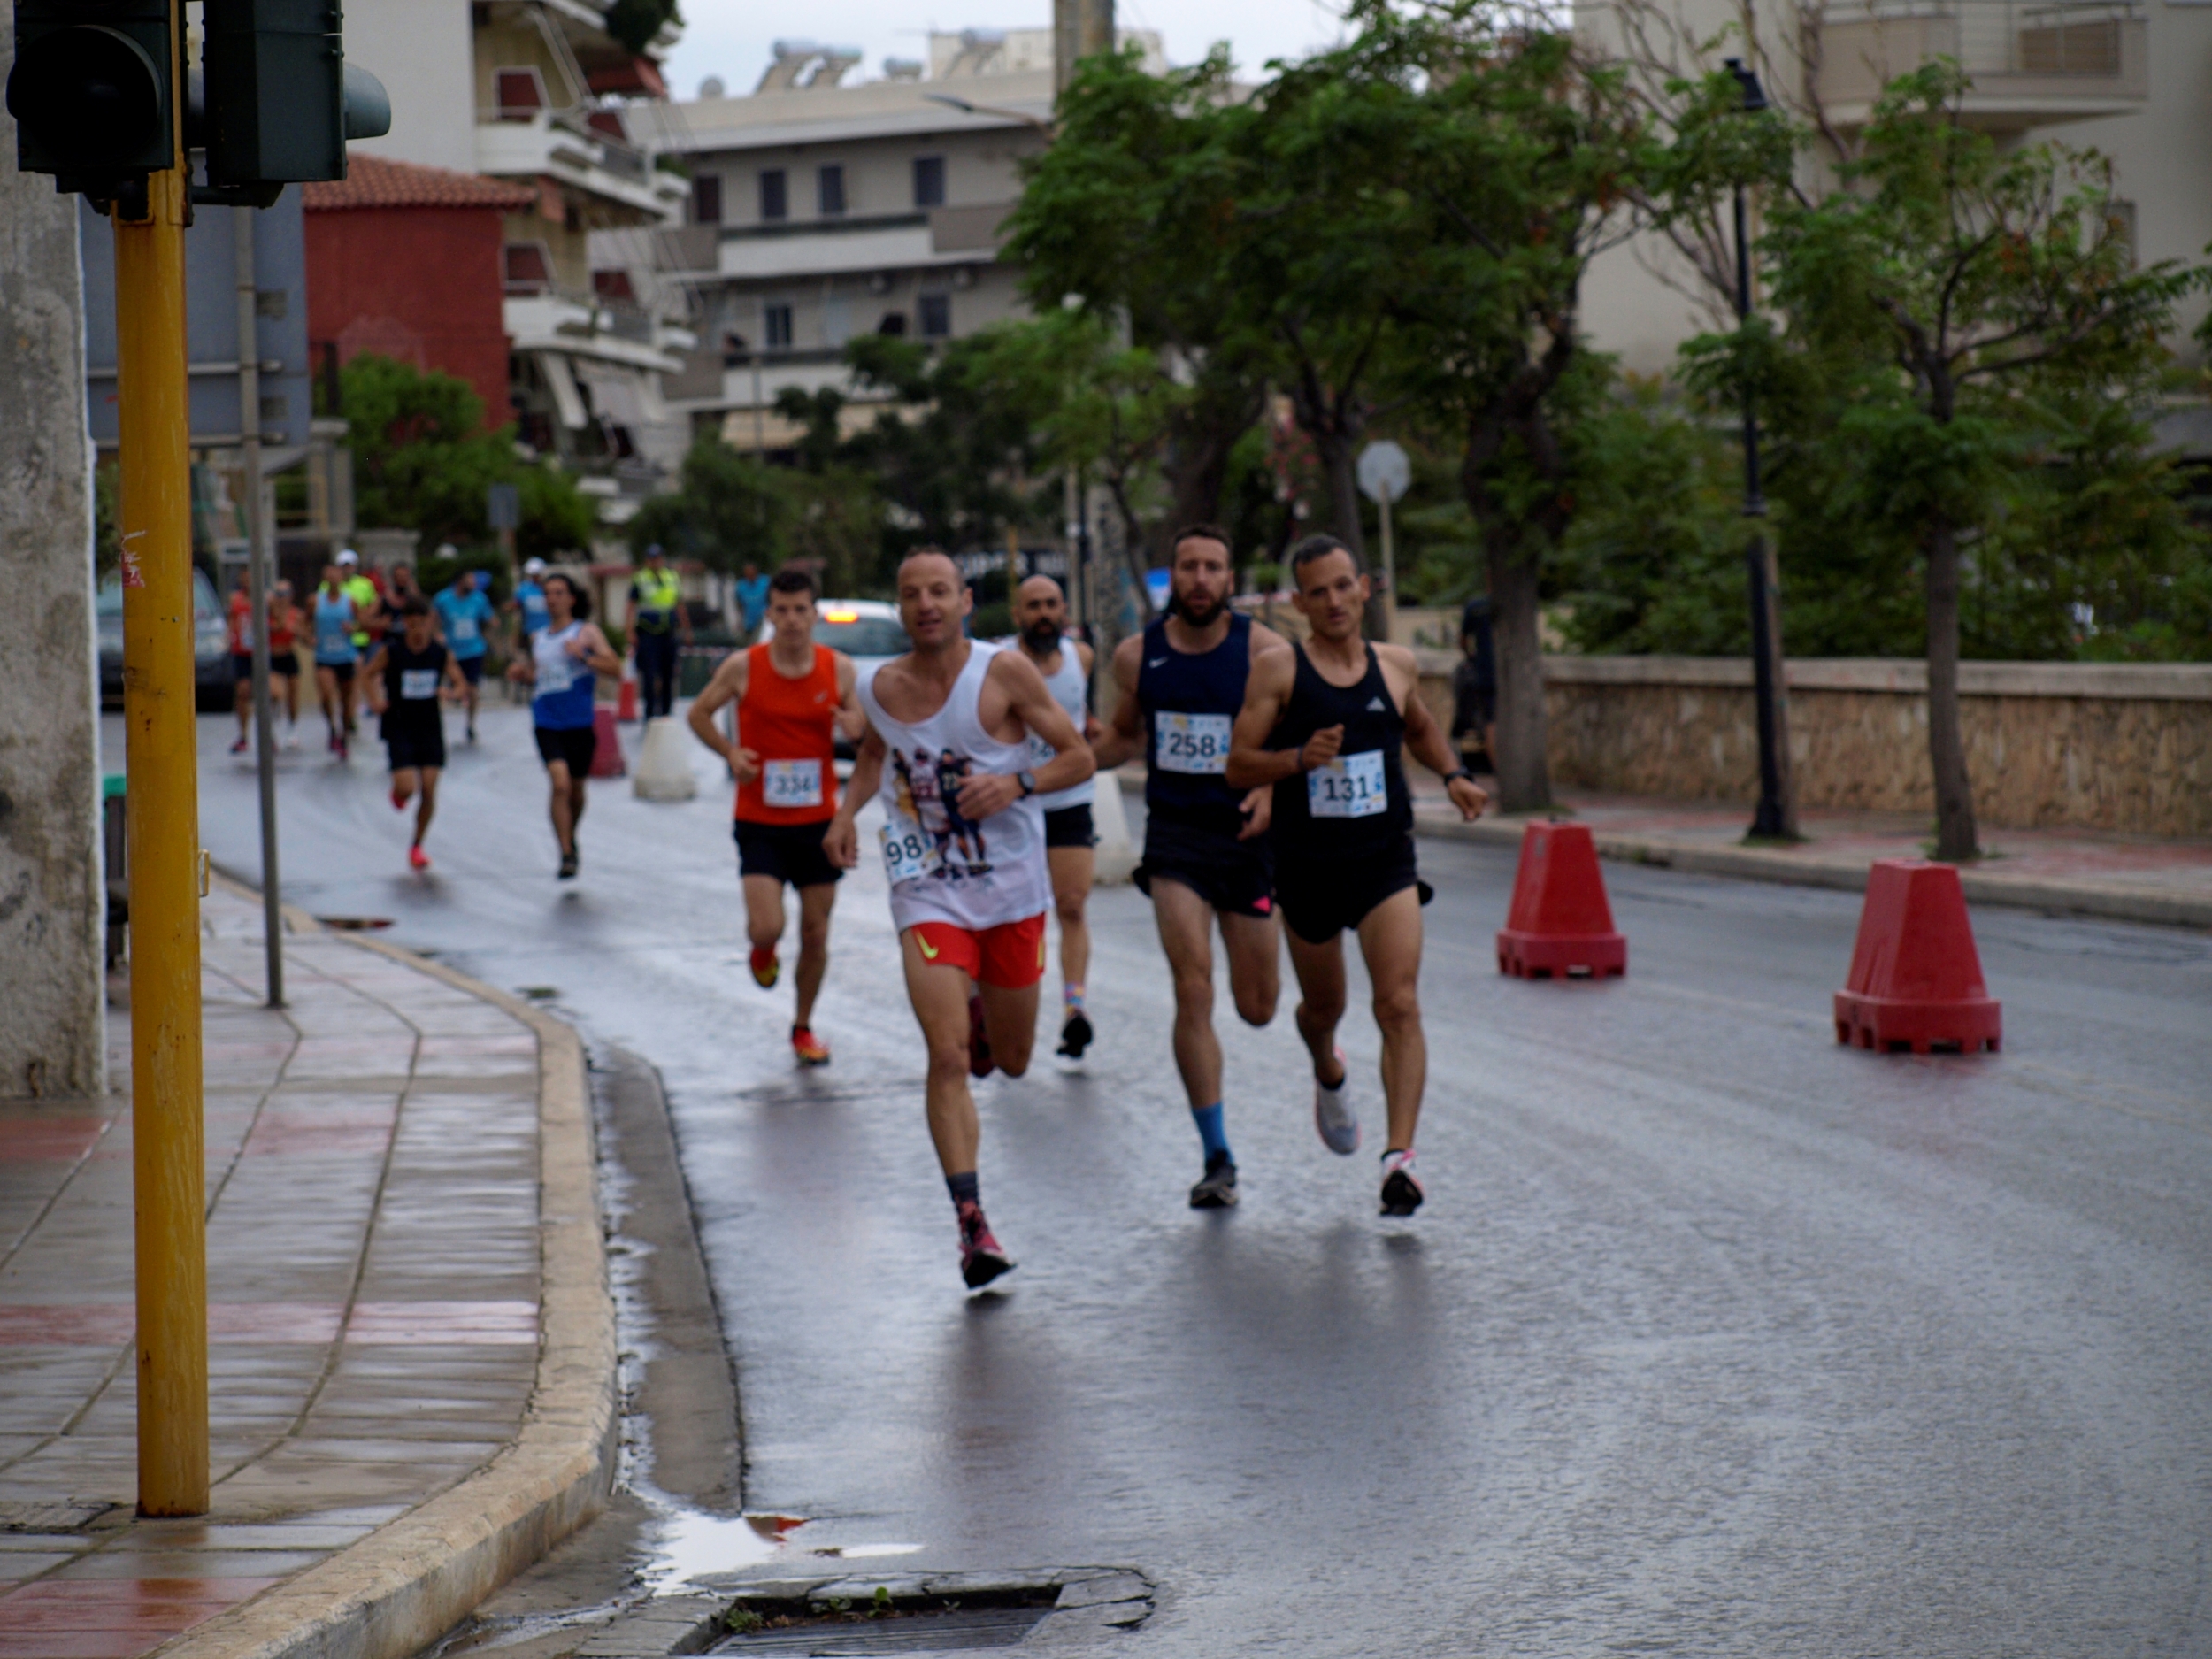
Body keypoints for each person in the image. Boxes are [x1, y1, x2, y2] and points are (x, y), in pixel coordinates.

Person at [824, 549, 1093, 1290]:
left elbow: (1079, 757)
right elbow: (874, 755)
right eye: (912, 594)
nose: (926, 604)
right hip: (927, 888)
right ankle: (972, 1223)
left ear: (965, 600)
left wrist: (1017, 783)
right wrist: (844, 814)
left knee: (1012, 1060)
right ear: (901, 607)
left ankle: (982, 1013)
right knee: (945, 1058)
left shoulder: (1004, 673)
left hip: (1010, 894)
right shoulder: (879, 687)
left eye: (939, 591)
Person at [1225, 535, 1489, 1218]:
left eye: (1344, 585)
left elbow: (1421, 727)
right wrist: (1296, 760)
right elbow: (1237, 764)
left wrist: (1454, 774)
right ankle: (1327, 1064)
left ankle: (1399, 1158)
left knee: (1398, 1003)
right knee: (1324, 1009)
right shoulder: (1279, 671)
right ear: (1300, 601)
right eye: (1318, 591)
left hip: (1383, 859)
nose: (1335, 601)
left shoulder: (1395, 665)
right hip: (1308, 866)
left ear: (1365, 587)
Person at [1089, 526, 1288, 1210]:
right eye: (1188, 566)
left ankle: (1328, 1062)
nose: (1200, 579)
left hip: (1247, 837)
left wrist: (1270, 788)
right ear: (1171, 575)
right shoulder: (1138, 655)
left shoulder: (1263, 652)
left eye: (1212, 567)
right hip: (1176, 838)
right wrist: (1059, 759)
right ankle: (1217, 1155)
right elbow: (1123, 736)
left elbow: (1295, 737)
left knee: (1258, 1007)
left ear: (1229, 578)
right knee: (1192, 986)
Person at [687, 567, 866, 1067]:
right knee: (767, 927)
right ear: (769, 614)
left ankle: (803, 1026)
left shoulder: (838, 669)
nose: (791, 620)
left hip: (819, 824)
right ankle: (762, 950)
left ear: (815, 614)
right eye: (782, 611)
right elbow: (698, 713)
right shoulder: (743, 667)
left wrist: (857, 728)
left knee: (816, 934)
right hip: (760, 822)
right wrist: (730, 752)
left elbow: (864, 729)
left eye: (800, 610)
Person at [1009, 573, 1101, 1060]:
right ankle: (991, 1002)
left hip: (1068, 798)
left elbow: (1083, 715)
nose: (1043, 614)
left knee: (1072, 905)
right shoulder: (999, 663)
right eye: (1034, 606)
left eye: (1051, 604)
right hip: (1013, 802)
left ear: (1064, 610)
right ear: (1017, 614)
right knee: (1010, 914)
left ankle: (1074, 1008)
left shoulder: (1081, 658)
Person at [507, 572, 621, 879]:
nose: (552, 599)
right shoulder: (538, 638)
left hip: (579, 722)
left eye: (559, 593)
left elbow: (615, 668)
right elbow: (540, 676)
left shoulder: (586, 633)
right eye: (548, 593)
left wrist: (584, 656)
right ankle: (566, 852)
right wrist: (523, 675)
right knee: (560, 785)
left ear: (571, 598)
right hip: (547, 721)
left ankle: (570, 833)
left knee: (577, 791)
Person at [363, 598, 468, 871]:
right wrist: (374, 701)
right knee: (408, 788)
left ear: (430, 623)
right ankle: (399, 793)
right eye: (412, 625)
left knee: (429, 790)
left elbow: (460, 683)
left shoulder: (440, 653)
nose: (418, 630)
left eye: (422, 624)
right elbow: (367, 674)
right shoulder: (392, 651)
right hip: (399, 725)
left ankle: (417, 845)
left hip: (429, 726)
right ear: (406, 624)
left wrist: (451, 693)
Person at [433, 568, 497, 742]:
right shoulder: (443, 599)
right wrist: (438, 635)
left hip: (474, 650)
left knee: (473, 688)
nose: (474, 583)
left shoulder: (479, 599)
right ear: (460, 581)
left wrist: (491, 630)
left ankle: (470, 724)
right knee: (448, 687)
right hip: (451, 652)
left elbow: (489, 618)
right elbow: (433, 620)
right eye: (470, 580)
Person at [628, 543, 690, 720]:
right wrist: (629, 631)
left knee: (668, 673)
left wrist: (687, 629)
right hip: (648, 633)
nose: (655, 562)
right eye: (652, 559)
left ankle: (666, 713)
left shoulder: (671, 577)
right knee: (649, 674)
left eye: (658, 558)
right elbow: (631, 606)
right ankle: (649, 713)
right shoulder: (640, 579)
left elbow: (679, 605)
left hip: (668, 632)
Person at [310, 563, 360, 760]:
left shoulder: (350, 601)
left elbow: (362, 623)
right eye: (329, 575)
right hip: (324, 657)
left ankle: (344, 735)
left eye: (336, 575)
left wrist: (353, 628)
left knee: (346, 701)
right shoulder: (315, 601)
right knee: (326, 694)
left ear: (341, 578)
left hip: (345, 656)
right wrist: (309, 637)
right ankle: (331, 727)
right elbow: (304, 622)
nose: (332, 578)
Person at [335, 549, 382, 738]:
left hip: (361, 638)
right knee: (347, 681)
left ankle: (357, 711)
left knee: (361, 674)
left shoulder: (364, 584)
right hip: (341, 640)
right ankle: (350, 712)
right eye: (344, 566)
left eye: (349, 566)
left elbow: (375, 603)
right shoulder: (331, 586)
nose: (347, 569)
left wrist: (363, 620)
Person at [1453, 594, 1498, 774]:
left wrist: (1472, 657)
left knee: (1491, 722)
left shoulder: (1476, 607)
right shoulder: (1511, 603)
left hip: (1485, 672)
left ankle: (1498, 769)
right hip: (1508, 673)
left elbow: (1462, 640)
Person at [225, 569, 257, 755]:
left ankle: (269, 734)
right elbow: (231, 619)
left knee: (270, 693)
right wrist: (229, 636)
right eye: (244, 578)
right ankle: (243, 735)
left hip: (259, 653)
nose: (247, 582)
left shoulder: (264, 599)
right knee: (243, 692)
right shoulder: (234, 599)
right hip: (242, 651)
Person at [267, 580, 302, 749]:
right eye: (279, 594)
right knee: (274, 692)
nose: (282, 598)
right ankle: (273, 723)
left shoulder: (296, 614)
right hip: (273, 656)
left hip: (288, 655)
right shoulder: (269, 613)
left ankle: (292, 728)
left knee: (293, 694)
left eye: (285, 594)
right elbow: (277, 627)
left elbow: (303, 633)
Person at [513, 557, 552, 648]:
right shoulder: (524, 588)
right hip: (531, 630)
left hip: (548, 628)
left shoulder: (548, 587)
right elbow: (517, 603)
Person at [734, 560, 771, 637]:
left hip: (763, 620)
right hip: (749, 622)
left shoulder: (765, 582)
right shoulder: (741, 586)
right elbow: (739, 603)